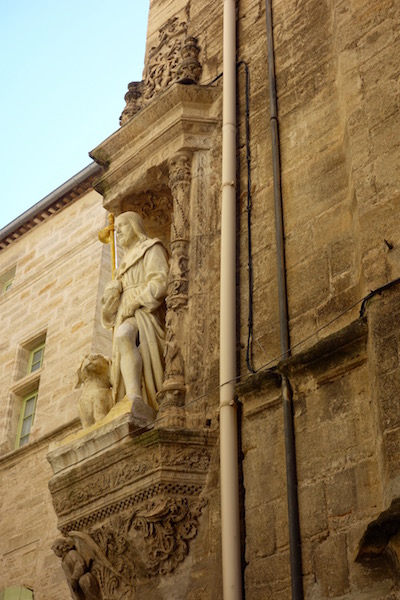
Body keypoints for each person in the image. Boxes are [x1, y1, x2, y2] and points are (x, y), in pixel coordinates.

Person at [101, 212, 169, 422]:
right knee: (122, 338)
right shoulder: (119, 269)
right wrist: (112, 296)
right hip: (125, 313)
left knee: (123, 335)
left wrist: (137, 300)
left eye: (123, 226)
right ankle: (131, 396)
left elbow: (161, 280)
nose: (118, 231)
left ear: (135, 226)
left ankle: (135, 397)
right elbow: (107, 316)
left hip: (146, 313)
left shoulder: (151, 248)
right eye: (116, 227)